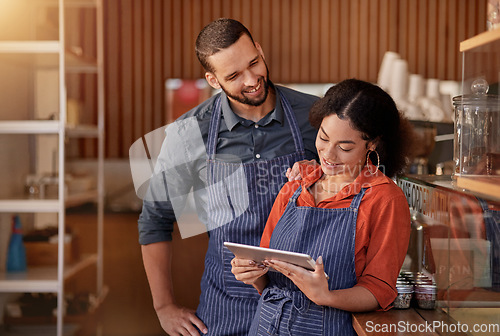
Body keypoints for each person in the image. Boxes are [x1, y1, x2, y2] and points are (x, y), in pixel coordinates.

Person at [138, 18, 319, 336]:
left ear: (260, 50)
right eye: (234, 76)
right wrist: (163, 307)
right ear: (212, 79)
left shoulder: (315, 117)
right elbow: (155, 220)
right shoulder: (189, 133)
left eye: (254, 63)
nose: (252, 80)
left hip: (305, 305)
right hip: (225, 310)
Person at [231, 79, 414, 335]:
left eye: (345, 147)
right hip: (266, 324)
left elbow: (378, 290)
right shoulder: (294, 186)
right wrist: (251, 272)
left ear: (372, 144)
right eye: (323, 138)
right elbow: (267, 271)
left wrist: (326, 296)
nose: (328, 154)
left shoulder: (384, 199)